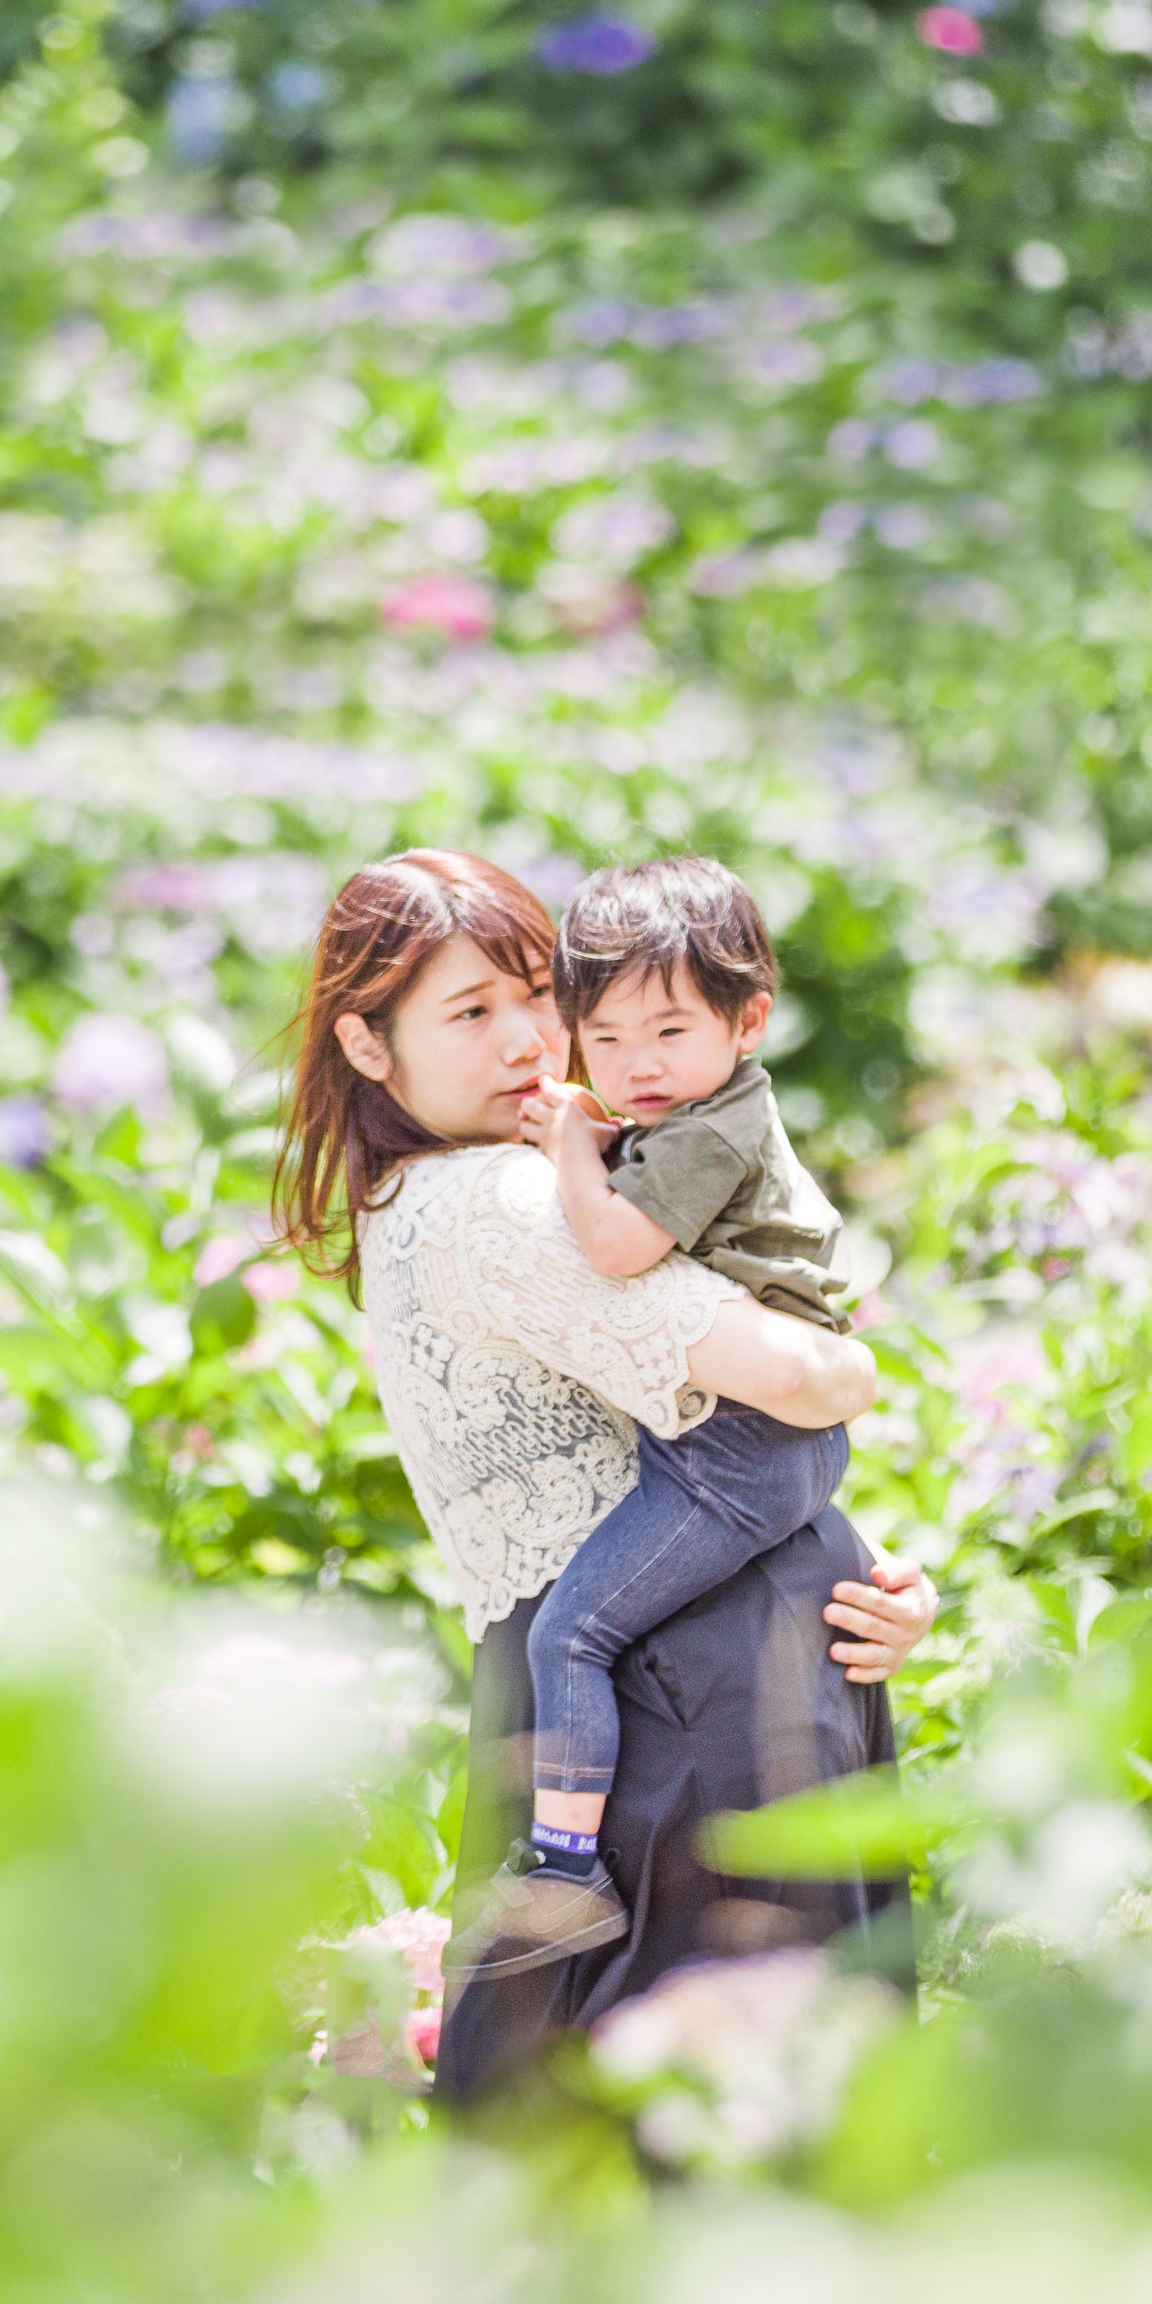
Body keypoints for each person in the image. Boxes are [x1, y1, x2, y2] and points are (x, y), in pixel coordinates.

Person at [267, 847, 931, 2098]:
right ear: (367, 1047)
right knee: (732, 2129)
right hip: (693, 1717)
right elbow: (802, 1383)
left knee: (607, 2142)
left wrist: (874, 1570)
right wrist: (852, 1369)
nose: (528, 1039)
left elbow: (676, 1440)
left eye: (536, 994)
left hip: (658, 1693)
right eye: (471, 1011)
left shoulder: (437, 1194)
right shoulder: (509, 1202)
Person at [474, 855, 871, 1973]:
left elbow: (613, 1245)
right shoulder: (704, 1105)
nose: (637, 1068)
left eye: (668, 1034)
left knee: (576, 1632)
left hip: (734, 1451)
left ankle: (565, 1870)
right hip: (765, 1438)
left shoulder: (710, 1127)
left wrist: (565, 1147)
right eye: (605, 1040)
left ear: (749, 1021)